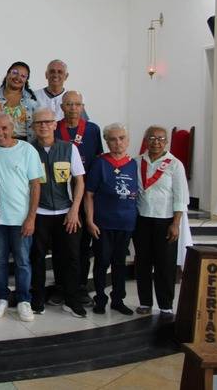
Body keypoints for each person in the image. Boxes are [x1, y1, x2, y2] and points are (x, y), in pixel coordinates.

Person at [0, 113, 43, 322]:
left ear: (13, 127)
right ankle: (1, 297)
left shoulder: (27, 150)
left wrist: (31, 218)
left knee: (23, 262)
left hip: (21, 219)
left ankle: (24, 300)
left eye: (4, 128)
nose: (0, 133)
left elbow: (35, 186)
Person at [28, 108, 86, 317]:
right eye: (38, 123)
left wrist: (74, 210)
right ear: (33, 127)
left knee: (70, 258)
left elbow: (79, 181)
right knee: (37, 258)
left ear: (55, 124)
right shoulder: (28, 149)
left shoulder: (69, 149)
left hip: (66, 213)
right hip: (39, 214)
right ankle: (38, 299)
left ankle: (72, 300)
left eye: (47, 122)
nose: (43, 126)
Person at [134, 125, 189, 317]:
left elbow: (181, 197)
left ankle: (165, 305)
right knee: (142, 262)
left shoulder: (175, 164)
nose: (156, 142)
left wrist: (176, 223)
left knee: (165, 264)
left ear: (166, 142)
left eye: (160, 139)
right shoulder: (137, 161)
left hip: (165, 221)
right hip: (141, 219)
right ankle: (145, 302)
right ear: (146, 140)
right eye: (152, 138)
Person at [85, 123, 138, 315]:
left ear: (128, 140)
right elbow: (89, 194)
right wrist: (90, 221)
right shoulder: (100, 163)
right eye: (113, 139)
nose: (118, 143)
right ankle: (100, 298)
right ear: (106, 141)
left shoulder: (134, 164)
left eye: (122, 138)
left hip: (126, 223)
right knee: (102, 262)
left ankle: (118, 299)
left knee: (119, 263)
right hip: (103, 224)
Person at [55, 90, 102, 306]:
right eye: (69, 104)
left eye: (77, 104)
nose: (73, 108)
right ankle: (59, 286)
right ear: (62, 107)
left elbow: (98, 160)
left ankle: (81, 286)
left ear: (82, 107)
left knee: (83, 244)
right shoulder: (54, 128)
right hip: (59, 193)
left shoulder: (92, 130)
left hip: (85, 194)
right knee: (59, 243)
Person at [0, 62, 38, 141]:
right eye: (15, 73)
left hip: (24, 144)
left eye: (23, 76)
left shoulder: (32, 100)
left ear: (26, 80)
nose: (18, 77)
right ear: (7, 74)